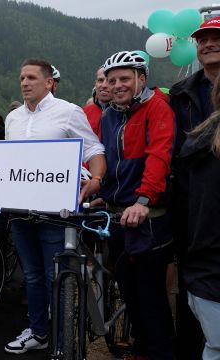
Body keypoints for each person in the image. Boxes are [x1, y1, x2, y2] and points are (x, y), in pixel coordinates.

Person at [3, 58, 106, 355]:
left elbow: (94, 148)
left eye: (32, 77)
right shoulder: (13, 119)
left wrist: (96, 177)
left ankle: (62, 342)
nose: (24, 82)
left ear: (49, 82)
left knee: (54, 277)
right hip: (20, 210)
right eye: (22, 77)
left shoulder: (68, 112)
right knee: (33, 276)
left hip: (55, 213)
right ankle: (38, 331)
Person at [99, 51, 175, 359]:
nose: (117, 85)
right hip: (118, 216)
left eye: (125, 79)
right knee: (129, 293)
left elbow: (159, 155)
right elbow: (113, 161)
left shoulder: (157, 108)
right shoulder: (110, 115)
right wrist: (104, 189)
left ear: (141, 79)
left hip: (148, 217)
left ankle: (161, 353)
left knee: (151, 297)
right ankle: (143, 349)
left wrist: (144, 199)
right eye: (112, 79)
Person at [170, 17, 220, 359]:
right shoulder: (182, 92)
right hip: (193, 208)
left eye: (216, 38)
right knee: (194, 294)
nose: (207, 44)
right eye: (202, 40)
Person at [83, 66, 112, 137]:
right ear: (95, 83)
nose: (104, 85)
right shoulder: (82, 113)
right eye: (100, 80)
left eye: (109, 81)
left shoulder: (126, 113)